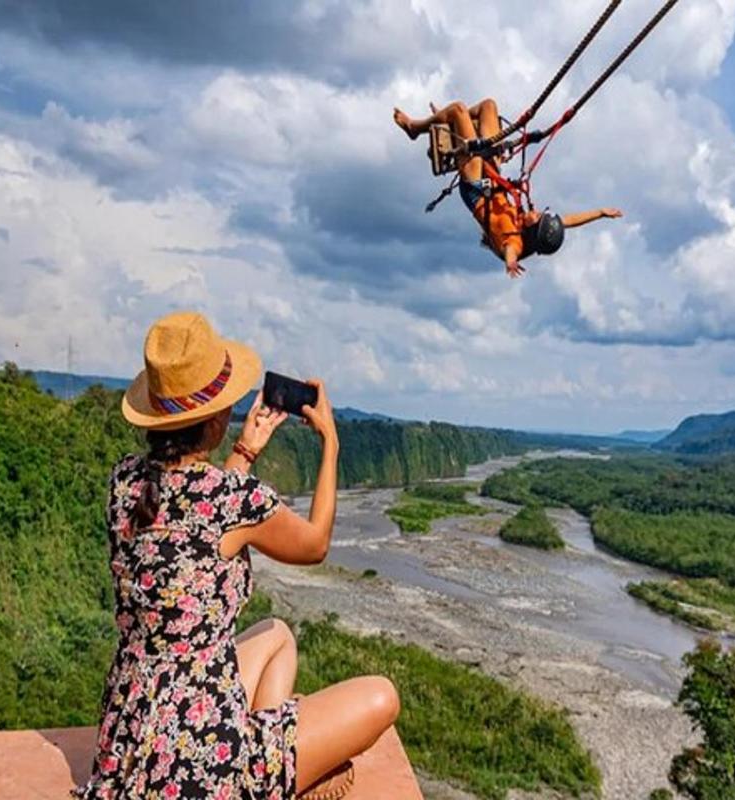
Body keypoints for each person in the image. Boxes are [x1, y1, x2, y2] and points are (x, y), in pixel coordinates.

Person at [74, 311, 399, 800]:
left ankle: (266, 766)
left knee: (278, 634)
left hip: (130, 731)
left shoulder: (125, 481)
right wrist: (330, 443)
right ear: (216, 418)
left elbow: (193, 526)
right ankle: (264, 776)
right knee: (382, 696)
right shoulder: (234, 500)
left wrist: (245, 454)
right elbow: (315, 544)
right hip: (197, 756)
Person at [394, 98, 623, 278]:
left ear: (533, 233)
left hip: (476, 189)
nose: (535, 212)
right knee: (489, 106)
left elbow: (509, 251)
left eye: (536, 218)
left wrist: (511, 262)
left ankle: (415, 127)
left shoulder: (516, 242)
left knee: (457, 110)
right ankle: (446, 121)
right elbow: (569, 221)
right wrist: (600, 213)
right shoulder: (538, 227)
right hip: (493, 179)